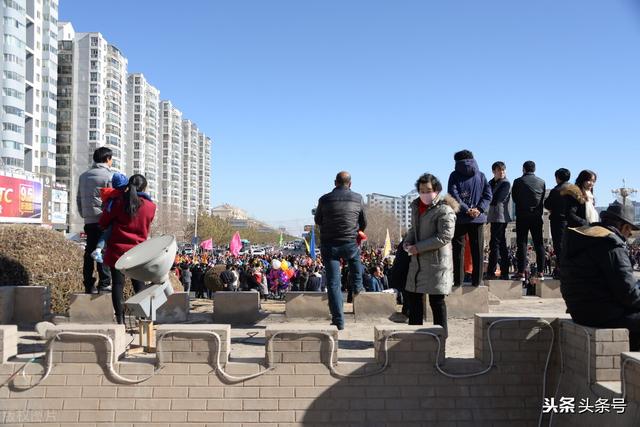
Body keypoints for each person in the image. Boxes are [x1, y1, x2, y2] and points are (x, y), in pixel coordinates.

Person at [560, 201, 640, 350]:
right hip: (603, 314)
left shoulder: (585, 237)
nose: (629, 234)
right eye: (629, 229)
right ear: (623, 227)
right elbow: (629, 294)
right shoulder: (611, 245)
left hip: (580, 311)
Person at [98, 174, 156, 324]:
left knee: (118, 285)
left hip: (117, 250)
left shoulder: (117, 202)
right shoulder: (151, 207)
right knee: (139, 284)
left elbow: (103, 222)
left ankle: (120, 321)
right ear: (144, 188)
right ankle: (142, 318)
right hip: (138, 251)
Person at [404, 173, 458, 332]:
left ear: (436, 190)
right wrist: (408, 241)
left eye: (428, 190)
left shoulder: (445, 210)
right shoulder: (416, 207)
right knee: (414, 300)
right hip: (418, 263)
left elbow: (445, 236)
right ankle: (415, 338)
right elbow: (414, 229)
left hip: (437, 264)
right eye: (421, 191)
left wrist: (418, 247)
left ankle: (441, 336)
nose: (425, 194)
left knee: (437, 302)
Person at [314, 171, 367, 330]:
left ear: (335, 182)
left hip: (330, 246)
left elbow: (318, 220)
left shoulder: (324, 199)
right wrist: (355, 230)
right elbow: (363, 222)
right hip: (350, 243)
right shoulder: (358, 198)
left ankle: (339, 320)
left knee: (333, 284)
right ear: (350, 184)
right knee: (355, 258)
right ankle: (357, 286)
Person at [447, 150, 492, 287]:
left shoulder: (454, 175)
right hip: (477, 219)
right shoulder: (481, 175)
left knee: (458, 250)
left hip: (460, 218)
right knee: (477, 250)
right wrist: (479, 209)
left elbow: (453, 195)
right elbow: (488, 195)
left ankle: (458, 281)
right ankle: (477, 281)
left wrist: (466, 209)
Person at [77, 147, 115, 294]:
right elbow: (112, 200)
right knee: (102, 251)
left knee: (89, 252)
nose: (111, 162)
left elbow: (79, 198)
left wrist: (85, 214)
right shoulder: (109, 176)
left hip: (89, 220)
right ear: (107, 159)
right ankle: (104, 283)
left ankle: (88, 284)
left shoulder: (83, 176)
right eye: (111, 159)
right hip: (103, 220)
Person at [511, 160, 546, 280]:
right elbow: (542, 199)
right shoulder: (542, 182)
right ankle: (541, 271)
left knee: (522, 243)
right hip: (536, 216)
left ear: (523, 169)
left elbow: (515, 198)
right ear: (534, 169)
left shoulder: (518, 181)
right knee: (539, 243)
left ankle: (521, 272)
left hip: (522, 215)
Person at [91, 172, 129, 263]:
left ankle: (98, 250)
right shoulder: (119, 197)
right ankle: (98, 250)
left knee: (105, 236)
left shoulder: (110, 194)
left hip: (107, 220)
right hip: (113, 222)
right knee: (107, 234)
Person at [486, 161, 512, 280]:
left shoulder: (506, 183)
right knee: (501, 244)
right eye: (499, 170)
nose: (502, 172)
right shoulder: (490, 182)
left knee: (495, 244)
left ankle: (492, 272)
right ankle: (504, 272)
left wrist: (487, 197)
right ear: (494, 171)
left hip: (500, 217)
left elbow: (497, 199)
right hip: (493, 216)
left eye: (503, 170)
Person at [543, 168, 571, 279]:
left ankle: (561, 270)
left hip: (558, 221)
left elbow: (547, 204)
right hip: (572, 222)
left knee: (559, 246)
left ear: (557, 178)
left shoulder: (556, 190)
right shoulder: (574, 190)